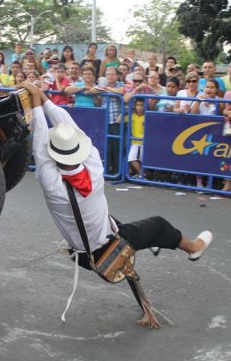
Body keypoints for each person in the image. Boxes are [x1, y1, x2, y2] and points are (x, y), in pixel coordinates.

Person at [18, 80, 213, 328]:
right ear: (79, 148)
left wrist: (35, 100)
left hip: (84, 256)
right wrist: (42, 97)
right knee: (158, 225)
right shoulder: (95, 167)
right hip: (107, 249)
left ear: (54, 154)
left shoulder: (50, 183)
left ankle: (147, 298)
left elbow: (41, 136)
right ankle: (192, 247)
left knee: (121, 230)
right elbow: (67, 124)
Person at [127, 99, 146, 178]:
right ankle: (142, 175)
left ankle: (144, 175)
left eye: (142, 105)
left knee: (143, 161)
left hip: (144, 142)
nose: (140, 107)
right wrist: (125, 110)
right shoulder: (132, 116)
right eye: (138, 105)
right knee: (131, 159)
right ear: (135, 106)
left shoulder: (147, 116)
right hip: (134, 142)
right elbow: (118, 121)